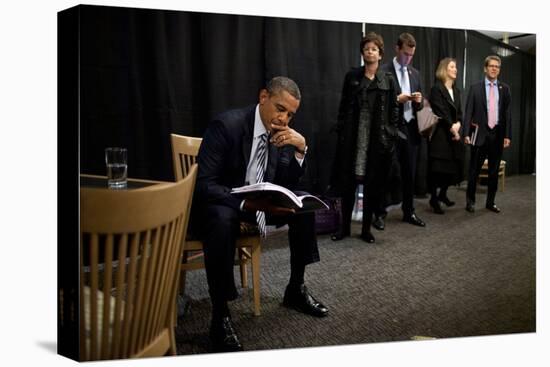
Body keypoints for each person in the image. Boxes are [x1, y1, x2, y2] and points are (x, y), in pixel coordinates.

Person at [194, 76, 329, 353]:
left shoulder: (279, 133)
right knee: (221, 218)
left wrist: (300, 149)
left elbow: (289, 181)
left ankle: (295, 288)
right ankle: (220, 314)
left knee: (302, 206)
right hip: (226, 206)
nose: (284, 119)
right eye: (280, 109)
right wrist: (249, 205)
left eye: (290, 114)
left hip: (260, 205)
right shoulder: (227, 126)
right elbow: (205, 185)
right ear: (263, 97)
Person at [329, 32, 400, 243]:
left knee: (372, 185)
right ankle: (344, 228)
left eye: (374, 49)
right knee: (348, 183)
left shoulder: (387, 78)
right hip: (353, 136)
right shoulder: (352, 76)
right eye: (367, 49)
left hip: (376, 138)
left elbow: (394, 109)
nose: (370, 52)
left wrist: (391, 134)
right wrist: (342, 131)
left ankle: (366, 229)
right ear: (362, 52)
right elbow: (343, 106)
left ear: (380, 54)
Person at [379, 32, 426, 228]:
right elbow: (379, 103)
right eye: (406, 54)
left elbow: (422, 104)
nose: (408, 58)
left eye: (411, 55)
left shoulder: (415, 74)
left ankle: (409, 212)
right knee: (385, 173)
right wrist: (397, 99)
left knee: (409, 174)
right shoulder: (383, 71)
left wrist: (418, 100)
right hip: (390, 130)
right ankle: (378, 213)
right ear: (397, 49)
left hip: (411, 130)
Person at [463, 55, 512, 213]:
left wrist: (507, 135)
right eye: (491, 66)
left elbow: (507, 113)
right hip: (479, 134)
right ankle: (470, 201)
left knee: (493, 172)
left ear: (499, 70)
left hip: (497, 135)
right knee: (474, 171)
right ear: (485, 68)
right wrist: (466, 133)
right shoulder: (475, 88)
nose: (494, 69)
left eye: (497, 67)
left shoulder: (505, 89)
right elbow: (468, 111)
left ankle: (490, 202)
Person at [427, 57, 465, 214]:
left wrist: (459, 125)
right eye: (452, 67)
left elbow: (460, 113)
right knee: (438, 170)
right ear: (444, 69)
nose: (455, 69)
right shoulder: (437, 89)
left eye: (455, 67)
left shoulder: (456, 91)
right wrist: (453, 128)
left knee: (452, 169)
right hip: (441, 135)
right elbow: (440, 111)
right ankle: (434, 199)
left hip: (453, 134)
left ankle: (443, 194)